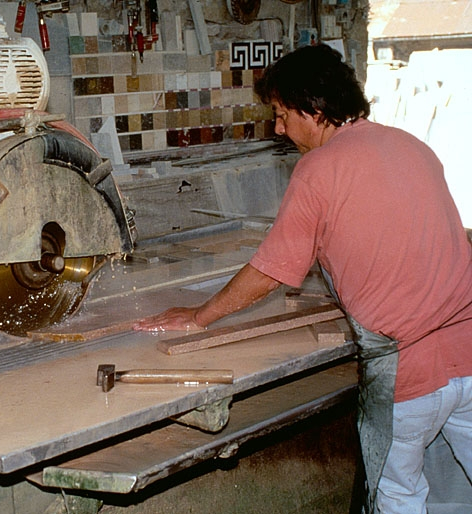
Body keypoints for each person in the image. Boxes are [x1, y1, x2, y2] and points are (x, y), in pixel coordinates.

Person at [133, 44, 472, 514]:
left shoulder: (318, 169)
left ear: (313, 111)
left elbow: (273, 268)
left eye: (280, 113)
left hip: (408, 372)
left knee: (397, 493)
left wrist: (199, 315)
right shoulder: (413, 146)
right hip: (468, 355)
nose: (277, 127)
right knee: (457, 490)